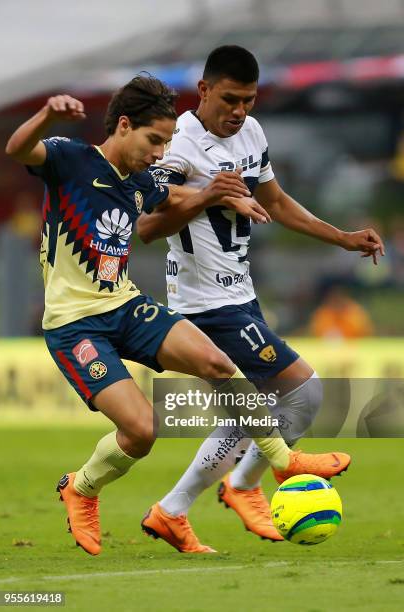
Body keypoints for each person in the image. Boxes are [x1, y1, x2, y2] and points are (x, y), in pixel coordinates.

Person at [5, 75, 271, 556]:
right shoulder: (70, 158)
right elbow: (17, 148)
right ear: (124, 125)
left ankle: (283, 461)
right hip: (74, 325)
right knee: (142, 431)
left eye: (168, 142)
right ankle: (82, 488)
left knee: (219, 364)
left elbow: (173, 200)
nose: (160, 152)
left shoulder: (142, 181)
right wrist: (46, 115)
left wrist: (219, 195)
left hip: (125, 306)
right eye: (154, 140)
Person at [137, 46, 385, 551]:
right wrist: (208, 194)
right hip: (204, 304)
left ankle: (173, 510)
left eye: (248, 100)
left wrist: (340, 237)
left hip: (240, 294)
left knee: (246, 414)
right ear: (203, 91)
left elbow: (274, 201)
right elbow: (145, 224)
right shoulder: (180, 145)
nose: (239, 111)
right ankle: (245, 484)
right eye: (230, 99)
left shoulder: (251, 133)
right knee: (304, 392)